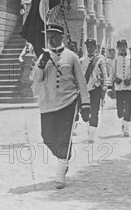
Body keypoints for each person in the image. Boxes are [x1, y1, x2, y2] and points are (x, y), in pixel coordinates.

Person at [32, 23, 90, 189]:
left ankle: (60, 173)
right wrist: (41, 65)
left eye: (54, 36)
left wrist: (85, 103)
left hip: (68, 102)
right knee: (47, 136)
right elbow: (36, 80)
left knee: (64, 137)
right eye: (48, 36)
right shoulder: (43, 56)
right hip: (48, 103)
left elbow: (81, 81)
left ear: (61, 37)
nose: (50, 39)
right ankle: (64, 157)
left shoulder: (71, 57)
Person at [80, 38, 109, 143]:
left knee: (94, 111)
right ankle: (89, 127)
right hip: (84, 91)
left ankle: (91, 136)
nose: (89, 48)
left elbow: (105, 76)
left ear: (95, 47)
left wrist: (104, 88)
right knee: (84, 113)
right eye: (88, 46)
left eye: (91, 46)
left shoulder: (100, 60)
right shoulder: (81, 60)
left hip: (95, 89)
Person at [111, 39, 131, 136]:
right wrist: (114, 80)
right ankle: (123, 121)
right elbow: (111, 75)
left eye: (124, 46)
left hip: (129, 88)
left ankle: (126, 129)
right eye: (120, 47)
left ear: (126, 48)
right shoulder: (115, 61)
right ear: (118, 49)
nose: (122, 48)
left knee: (128, 107)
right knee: (120, 110)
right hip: (119, 88)